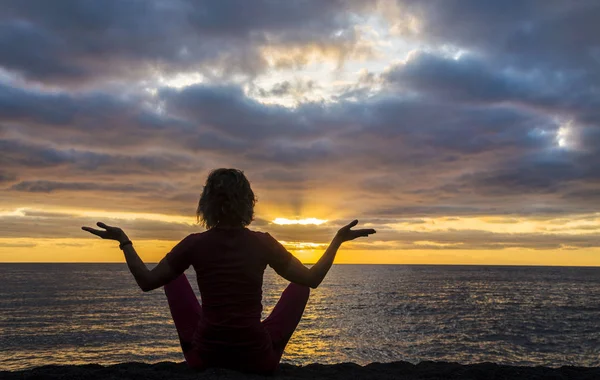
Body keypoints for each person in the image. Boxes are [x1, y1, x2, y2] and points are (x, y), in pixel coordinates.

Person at [82, 168, 376, 374]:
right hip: (259, 360)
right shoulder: (263, 243)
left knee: (173, 278)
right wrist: (337, 240)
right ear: (248, 203)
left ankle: (199, 342)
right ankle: (261, 344)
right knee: (300, 285)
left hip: (204, 358)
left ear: (206, 205)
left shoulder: (194, 244)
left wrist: (124, 241)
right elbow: (312, 279)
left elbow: (147, 282)